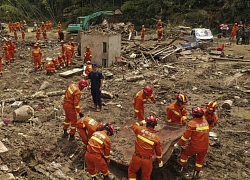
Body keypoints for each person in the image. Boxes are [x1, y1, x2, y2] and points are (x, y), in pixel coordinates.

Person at [174, 106, 209, 179]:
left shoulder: (192, 124)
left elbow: (185, 136)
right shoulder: (205, 122)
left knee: (184, 153)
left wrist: (178, 144)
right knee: (200, 159)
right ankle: (196, 174)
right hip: (205, 146)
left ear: (193, 114)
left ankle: (179, 168)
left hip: (195, 146)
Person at [128, 115, 163, 180]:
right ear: (155, 126)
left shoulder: (139, 130)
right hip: (147, 161)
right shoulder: (156, 138)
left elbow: (134, 125)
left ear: (146, 123)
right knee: (146, 177)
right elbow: (159, 153)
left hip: (137, 158)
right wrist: (160, 162)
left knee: (132, 172)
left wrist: (142, 122)